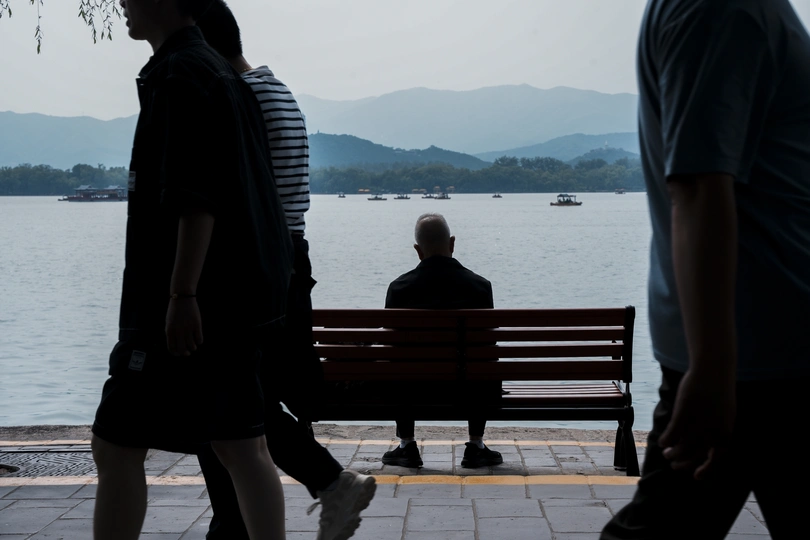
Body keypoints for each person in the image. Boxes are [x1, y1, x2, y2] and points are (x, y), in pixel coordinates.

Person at [600, 1, 810, 538]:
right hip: (763, 355)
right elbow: (697, 186)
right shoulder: (722, 9)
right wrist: (713, 366)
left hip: (757, 352)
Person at [90, 1, 295, 539]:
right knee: (242, 445)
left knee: (116, 443)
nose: (121, 3)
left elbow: (196, 197)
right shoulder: (217, 73)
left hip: (188, 303)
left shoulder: (181, 75)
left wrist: (182, 294)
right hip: (235, 300)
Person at [194, 3, 376, 540]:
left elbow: (230, 193)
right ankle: (240, 520)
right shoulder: (275, 89)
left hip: (256, 264)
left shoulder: (240, 95)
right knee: (236, 401)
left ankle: (326, 481)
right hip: (286, 259)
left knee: (227, 400)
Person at [381, 212, 503, 469]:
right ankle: (476, 445)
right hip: (469, 388)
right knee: (482, 366)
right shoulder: (480, 287)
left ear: (418, 250)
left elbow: (391, 351)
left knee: (397, 368)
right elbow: (488, 349)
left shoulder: (398, 288)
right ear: (452, 243)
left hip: (412, 390)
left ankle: (407, 445)